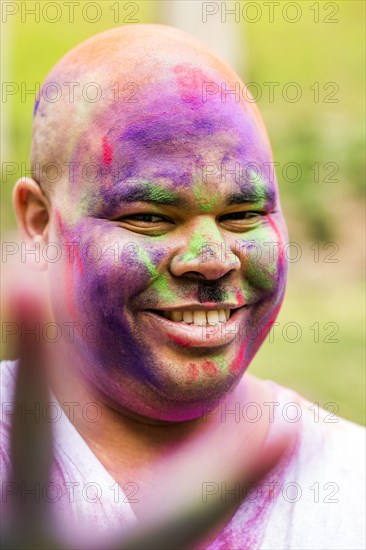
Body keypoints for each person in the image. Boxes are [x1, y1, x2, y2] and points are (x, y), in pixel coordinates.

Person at [1, 24, 364, 549]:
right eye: (150, 217)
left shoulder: (350, 488)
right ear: (39, 222)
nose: (213, 261)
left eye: (243, 214)